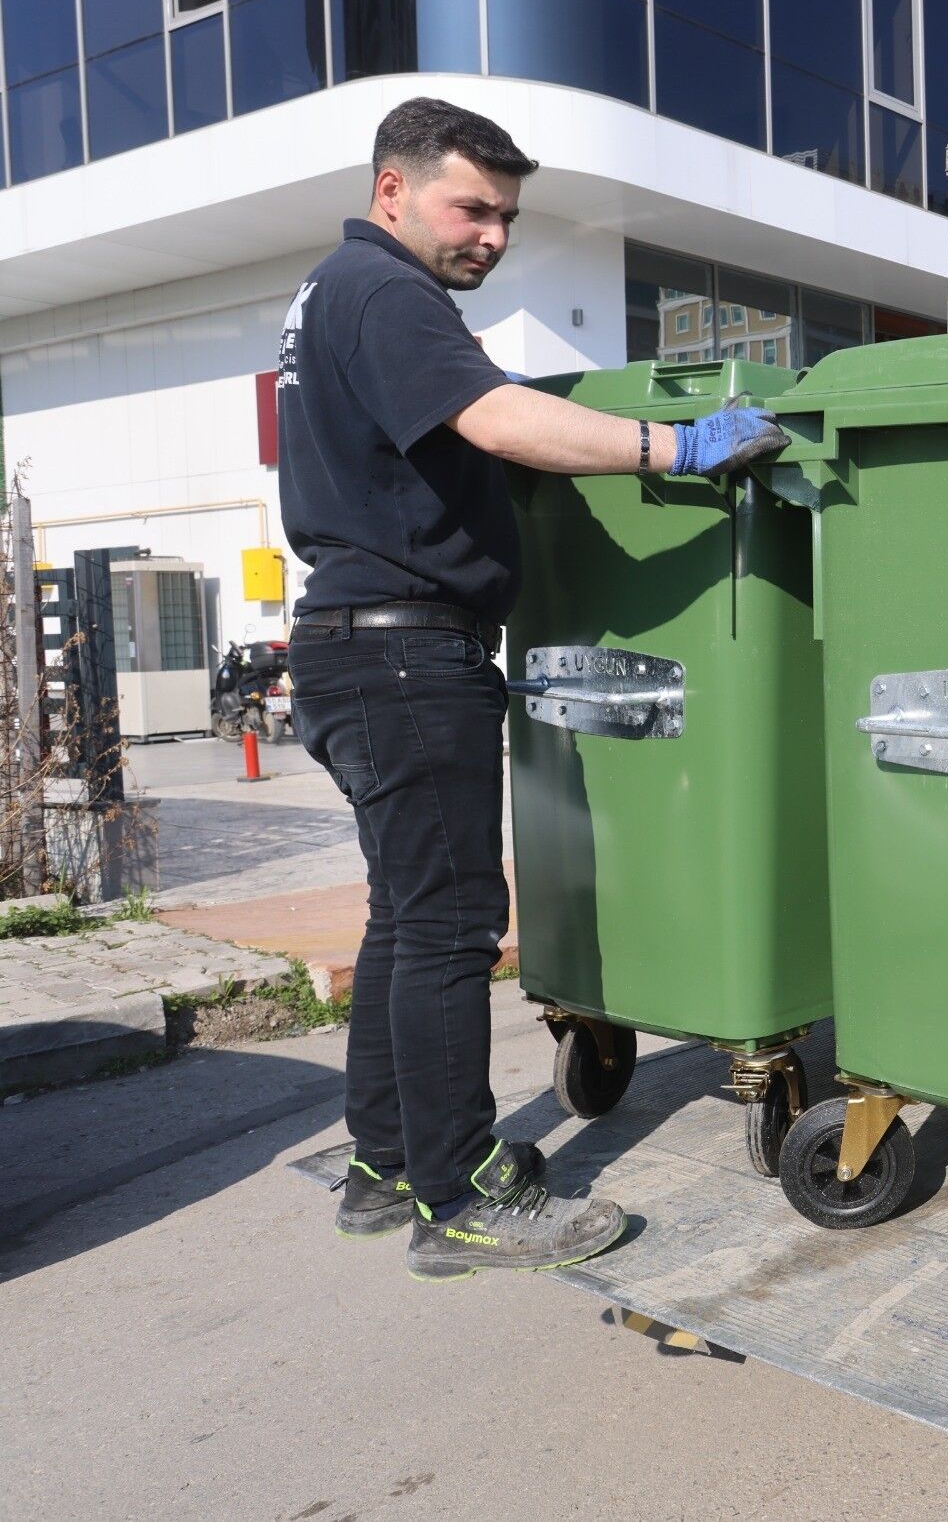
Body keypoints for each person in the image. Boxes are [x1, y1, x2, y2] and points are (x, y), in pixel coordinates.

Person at [282, 98, 787, 1281]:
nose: (494, 236)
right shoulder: (383, 291)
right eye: (473, 209)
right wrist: (676, 447)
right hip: (405, 654)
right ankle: (459, 1197)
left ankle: (387, 1165)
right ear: (393, 190)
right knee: (450, 926)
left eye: (507, 216)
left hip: (355, 648)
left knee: (406, 917)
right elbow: (500, 420)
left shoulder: (331, 293)